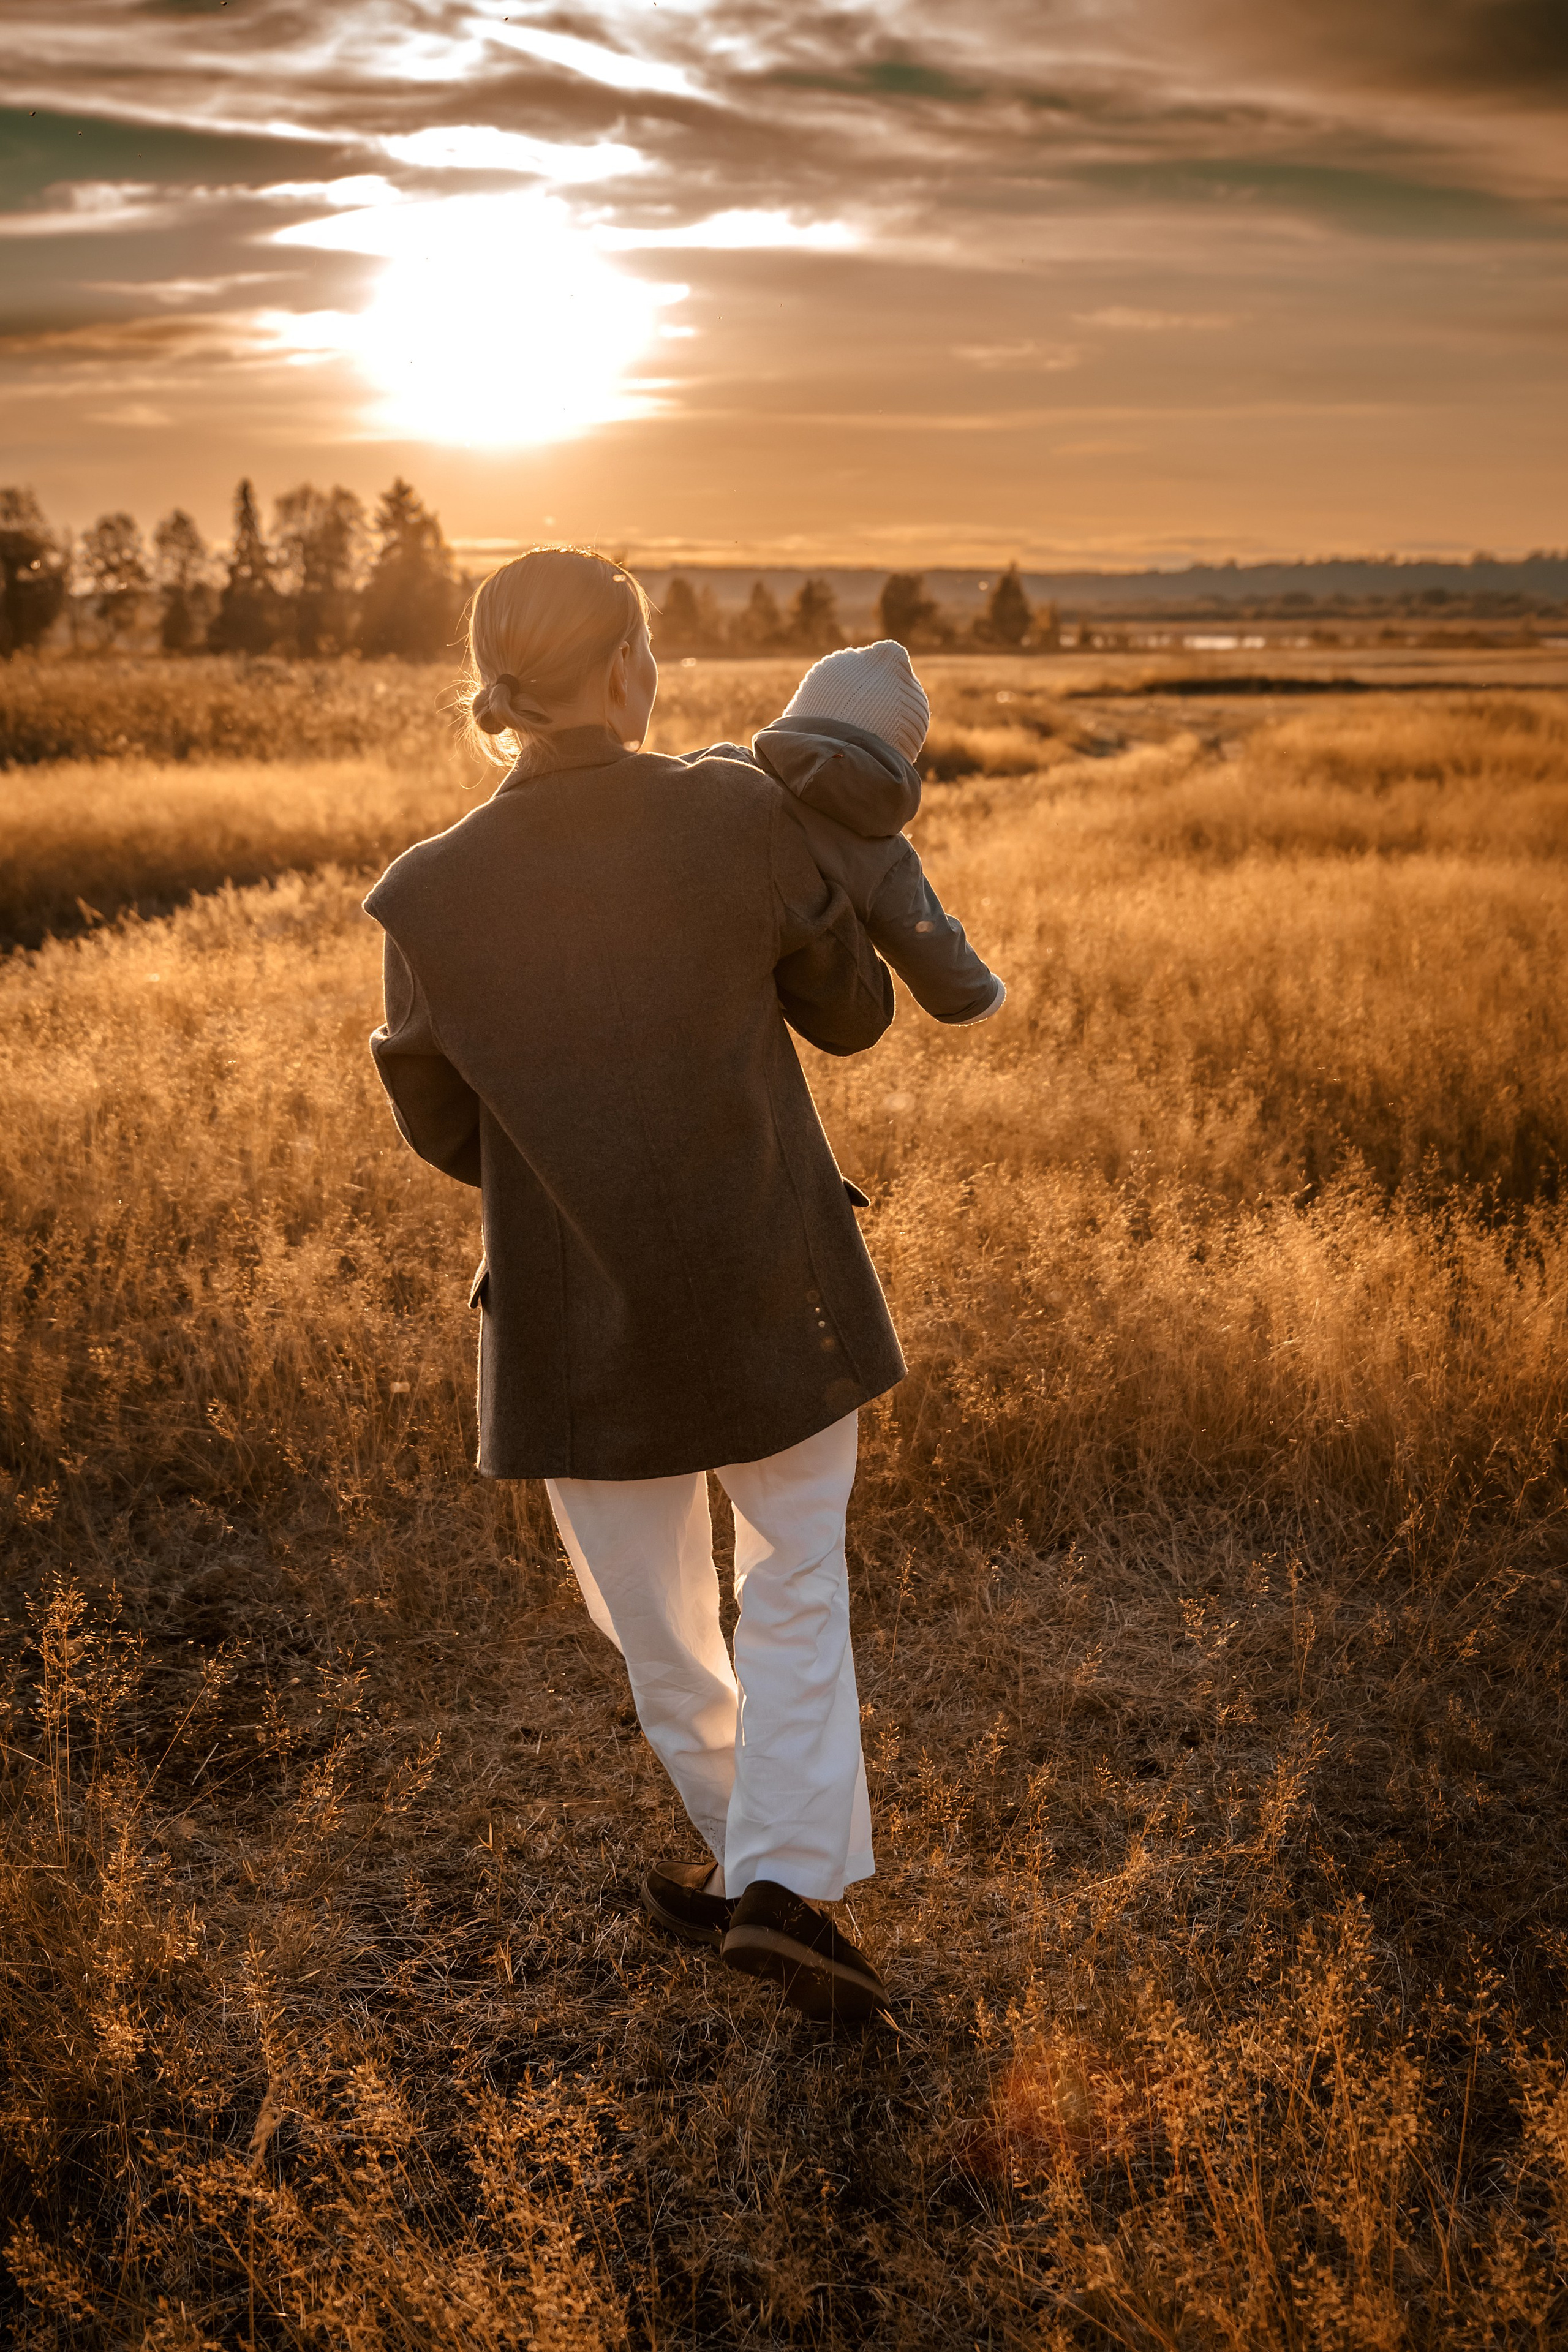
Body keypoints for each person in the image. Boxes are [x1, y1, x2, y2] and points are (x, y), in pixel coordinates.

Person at [362, 549, 925, 2024]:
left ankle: (760, 1868)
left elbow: (437, 1125)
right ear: (625, 669)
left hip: (568, 1325)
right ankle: (778, 1884)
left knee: (661, 1627)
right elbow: (852, 1015)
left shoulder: (421, 895)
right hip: (768, 1279)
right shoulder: (739, 811)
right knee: (796, 1577)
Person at [693, 637, 1006, 1028]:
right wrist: (983, 991)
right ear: (896, 760)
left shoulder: (716, 765)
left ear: (797, 714)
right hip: (749, 1028)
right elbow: (944, 967)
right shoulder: (882, 856)